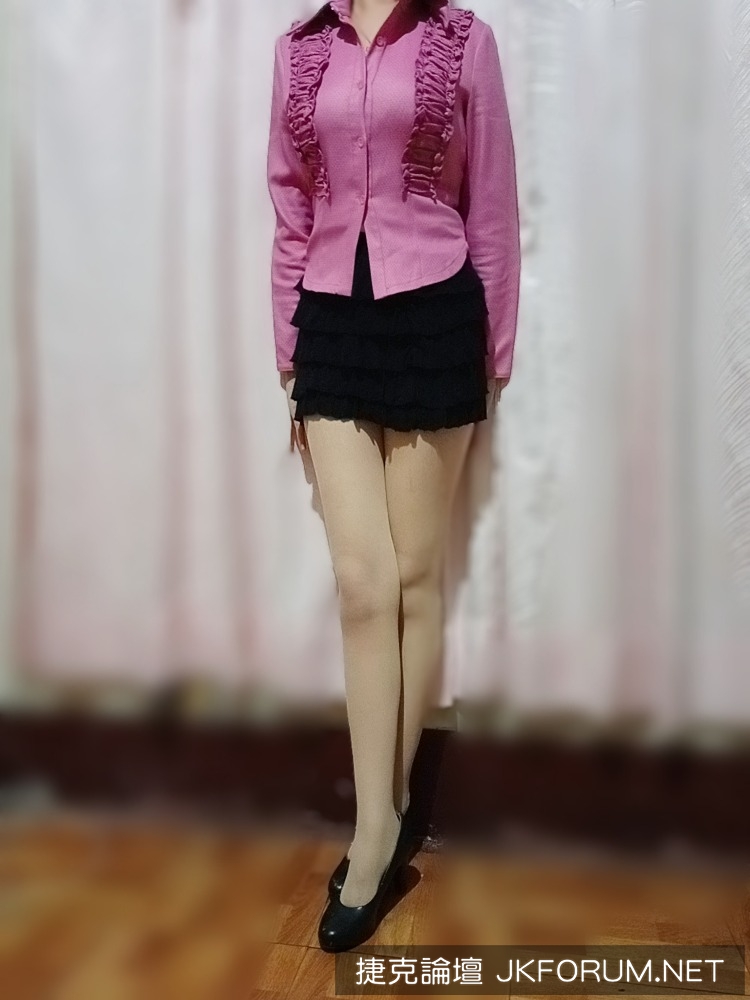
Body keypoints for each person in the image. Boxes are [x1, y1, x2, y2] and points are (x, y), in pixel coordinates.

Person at [266, 0, 521, 953]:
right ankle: (376, 827)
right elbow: (290, 206)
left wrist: (491, 357)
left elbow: (491, 208)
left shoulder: (462, 40)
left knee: (414, 576)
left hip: (434, 315)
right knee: (364, 582)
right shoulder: (299, 50)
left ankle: (392, 804)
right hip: (332, 319)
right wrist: (288, 355)